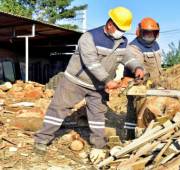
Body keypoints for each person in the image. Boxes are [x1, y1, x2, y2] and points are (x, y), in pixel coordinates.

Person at [33, 6, 144, 165]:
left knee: (98, 116)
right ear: (110, 24)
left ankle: (98, 145)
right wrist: (108, 80)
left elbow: (129, 58)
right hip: (75, 81)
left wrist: (137, 67)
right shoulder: (89, 37)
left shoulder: (122, 42)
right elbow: (91, 63)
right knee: (58, 109)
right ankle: (42, 140)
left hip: (98, 87)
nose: (122, 32)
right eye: (120, 29)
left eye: (124, 30)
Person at [124, 17, 162, 139]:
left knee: (150, 110)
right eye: (147, 32)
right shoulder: (134, 47)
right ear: (140, 32)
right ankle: (131, 137)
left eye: (152, 33)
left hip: (153, 84)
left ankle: (149, 132)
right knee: (136, 109)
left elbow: (157, 66)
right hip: (137, 85)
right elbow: (139, 67)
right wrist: (144, 81)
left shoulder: (155, 45)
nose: (150, 35)